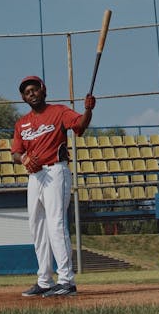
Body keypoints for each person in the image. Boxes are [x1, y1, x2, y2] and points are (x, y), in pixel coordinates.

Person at [11, 75, 96, 297]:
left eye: (34, 89)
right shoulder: (21, 123)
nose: (31, 93)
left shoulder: (58, 111)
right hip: (35, 176)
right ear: (23, 97)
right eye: (27, 91)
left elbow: (80, 126)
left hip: (56, 170)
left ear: (43, 90)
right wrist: (23, 159)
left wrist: (88, 110)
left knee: (56, 224)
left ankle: (67, 280)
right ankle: (45, 280)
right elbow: (15, 153)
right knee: (36, 226)